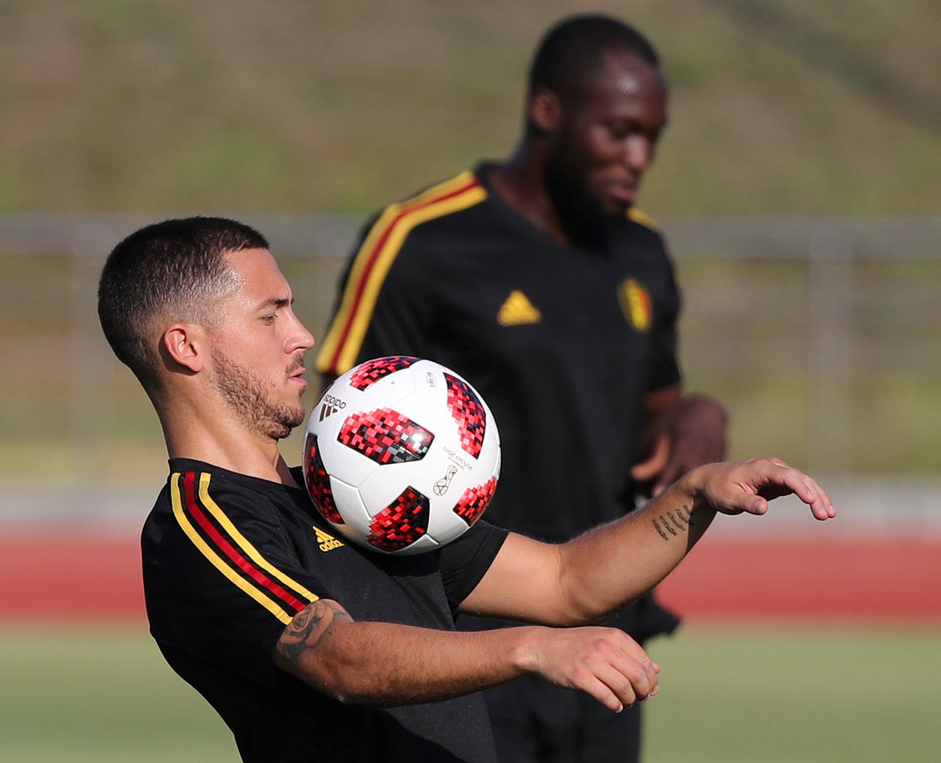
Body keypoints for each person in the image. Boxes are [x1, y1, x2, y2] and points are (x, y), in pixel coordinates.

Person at [97, 215, 834, 763]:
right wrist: (530, 651)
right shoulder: (202, 524)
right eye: (271, 314)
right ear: (185, 345)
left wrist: (695, 494)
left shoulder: (358, 495)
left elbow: (566, 582)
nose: (303, 335)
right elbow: (339, 658)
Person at [316, 14, 726, 760]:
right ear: (548, 112)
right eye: (619, 132)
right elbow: (341, 435)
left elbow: (649, 427)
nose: (639, 157)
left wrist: (700, 417)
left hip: (605, 639)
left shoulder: (643, 252)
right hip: (467, 641)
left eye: (653, 137)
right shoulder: (420, 239)